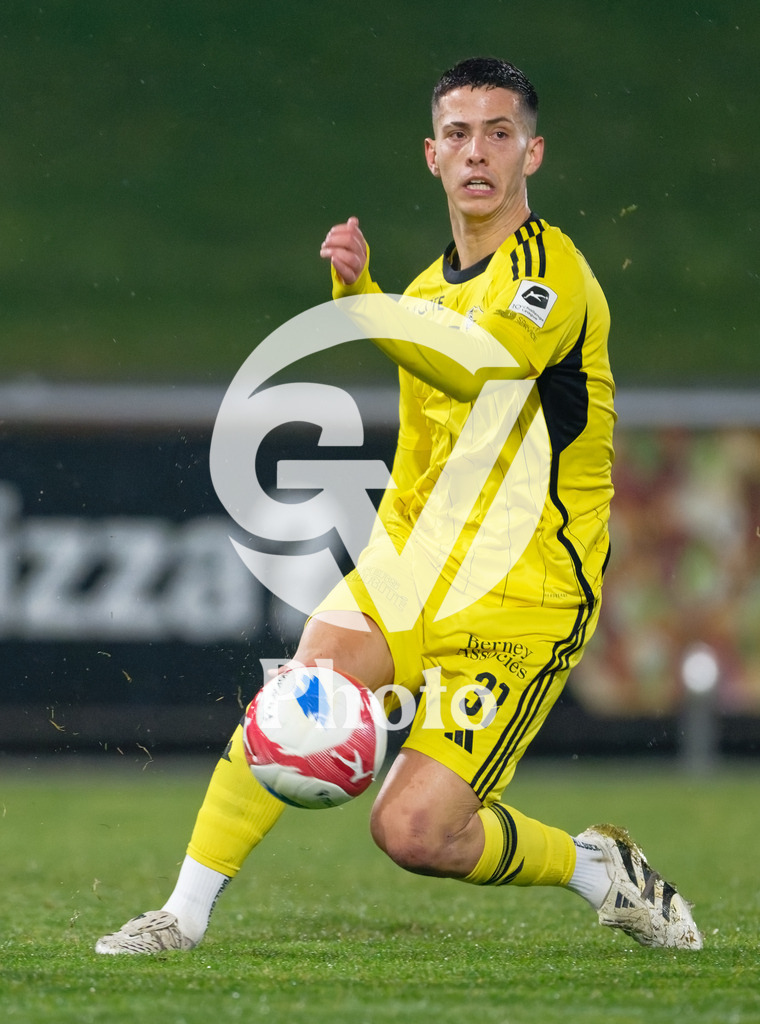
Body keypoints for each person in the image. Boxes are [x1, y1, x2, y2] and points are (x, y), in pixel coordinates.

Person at [95, 56, 701, 954]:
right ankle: (180, 916)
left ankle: (593, 869)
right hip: (418, 566)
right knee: (302, 689)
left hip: (526, 594)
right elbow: (425, 447)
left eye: (500, 132)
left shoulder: (552, 273)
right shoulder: (424, 290)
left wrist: (364, 306)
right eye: (458, 133)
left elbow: (479, 366)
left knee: (415, 833)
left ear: (533, 153)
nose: (478, 152)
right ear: (431, 155)